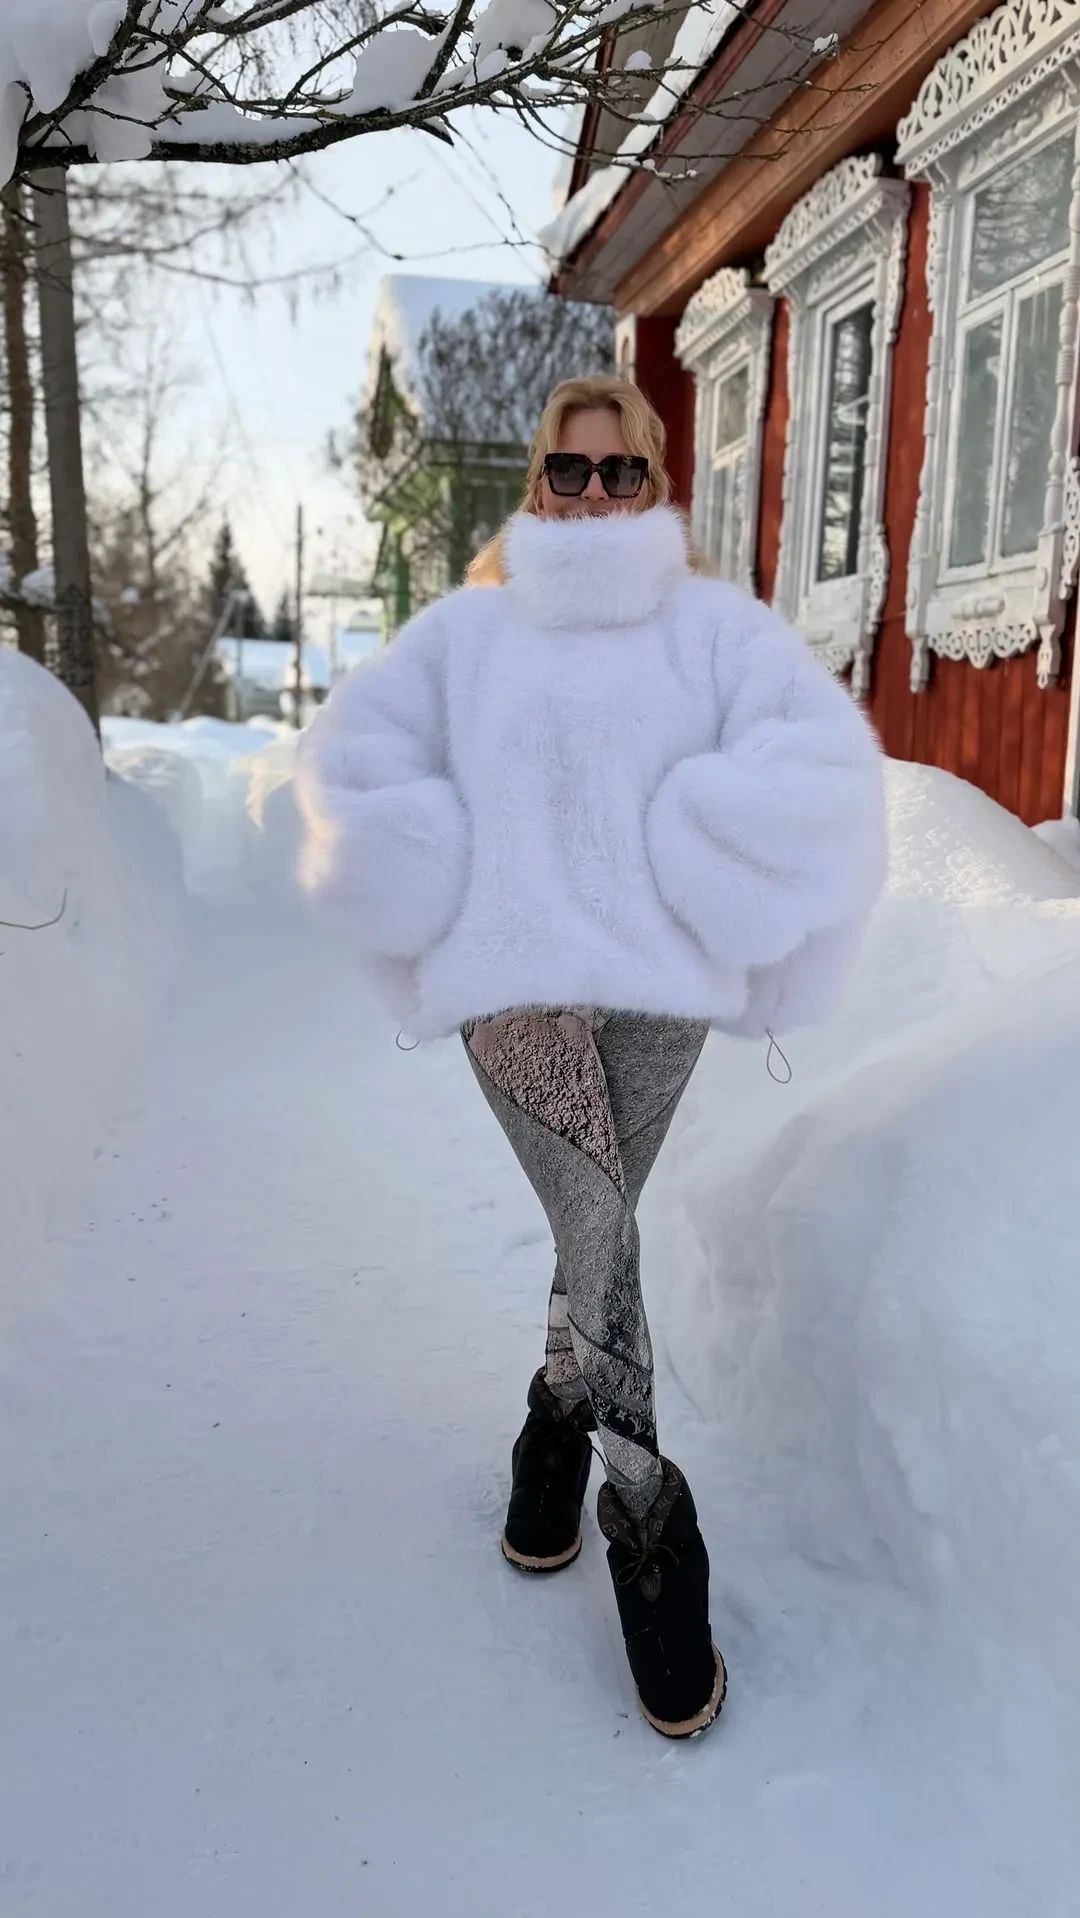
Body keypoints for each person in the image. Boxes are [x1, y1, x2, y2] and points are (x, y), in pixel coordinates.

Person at [294, 375, 887, 1740]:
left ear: (655, 481)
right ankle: (649, 1520)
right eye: (573, 471)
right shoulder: (468, 634)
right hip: (517, 996)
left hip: (657, 1001)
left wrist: (706, 842)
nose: (597, 495)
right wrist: (440, 876)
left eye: (623, 473)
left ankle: (549, 1440)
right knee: (602, 1229)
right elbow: (354, 768)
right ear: (538, 482)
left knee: (593, 1231)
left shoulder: (715, 635)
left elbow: (825, 776)